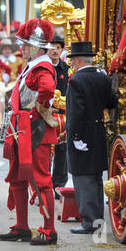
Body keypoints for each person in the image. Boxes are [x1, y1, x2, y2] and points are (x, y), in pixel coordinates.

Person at [0, 19, 59, 245]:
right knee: (17, 178)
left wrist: (37, 110)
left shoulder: (42, 66)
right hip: (22, 128)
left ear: (34, 46)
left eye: (24, 45)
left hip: (35, 129)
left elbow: (46, 90)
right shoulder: (33, 65)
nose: (20, 49)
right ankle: (22, 226)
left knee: (42, 180)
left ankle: (49, 229)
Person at [66, 41, 118, 234]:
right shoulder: (101, 77)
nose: (72, 63)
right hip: (97, 131)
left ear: (78, 60)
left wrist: (76, 137)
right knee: (95, 178)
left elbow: (75, 113)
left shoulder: (77, 80)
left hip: (83, 134)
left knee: (83, 178)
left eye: (73, 60)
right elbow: (111, 102)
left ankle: (90, 222)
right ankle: (97, 221)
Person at [47, 36, 70, 199]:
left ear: (62, 50)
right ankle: (43, 186)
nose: (55, 50)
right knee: (44, 152)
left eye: (58, 47)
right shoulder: (42, 67)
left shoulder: (67, 69)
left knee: (62, 152)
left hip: (62, 116)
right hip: (45, 114)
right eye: (52, 47)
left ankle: (58, 186)